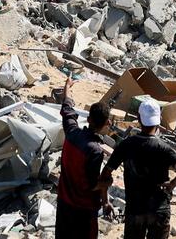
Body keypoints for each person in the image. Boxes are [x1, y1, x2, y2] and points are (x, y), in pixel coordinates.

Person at [102, 99, 176, 239]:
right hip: (158, 209)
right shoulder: (163, 147)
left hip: (135, 209)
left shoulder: (126, 145)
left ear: (139, 118)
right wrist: (172, 184)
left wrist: (105, 201)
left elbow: (106, 173)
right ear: (158, 120)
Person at [56, 78, 112, 239]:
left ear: (88, 119)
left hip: (64, 203)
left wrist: (67, 86)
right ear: (107, 123)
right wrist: (106, 183)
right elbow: (91, 185)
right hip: (83, 210)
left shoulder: (72, 132)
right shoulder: (95, 151)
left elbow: (67, 107)